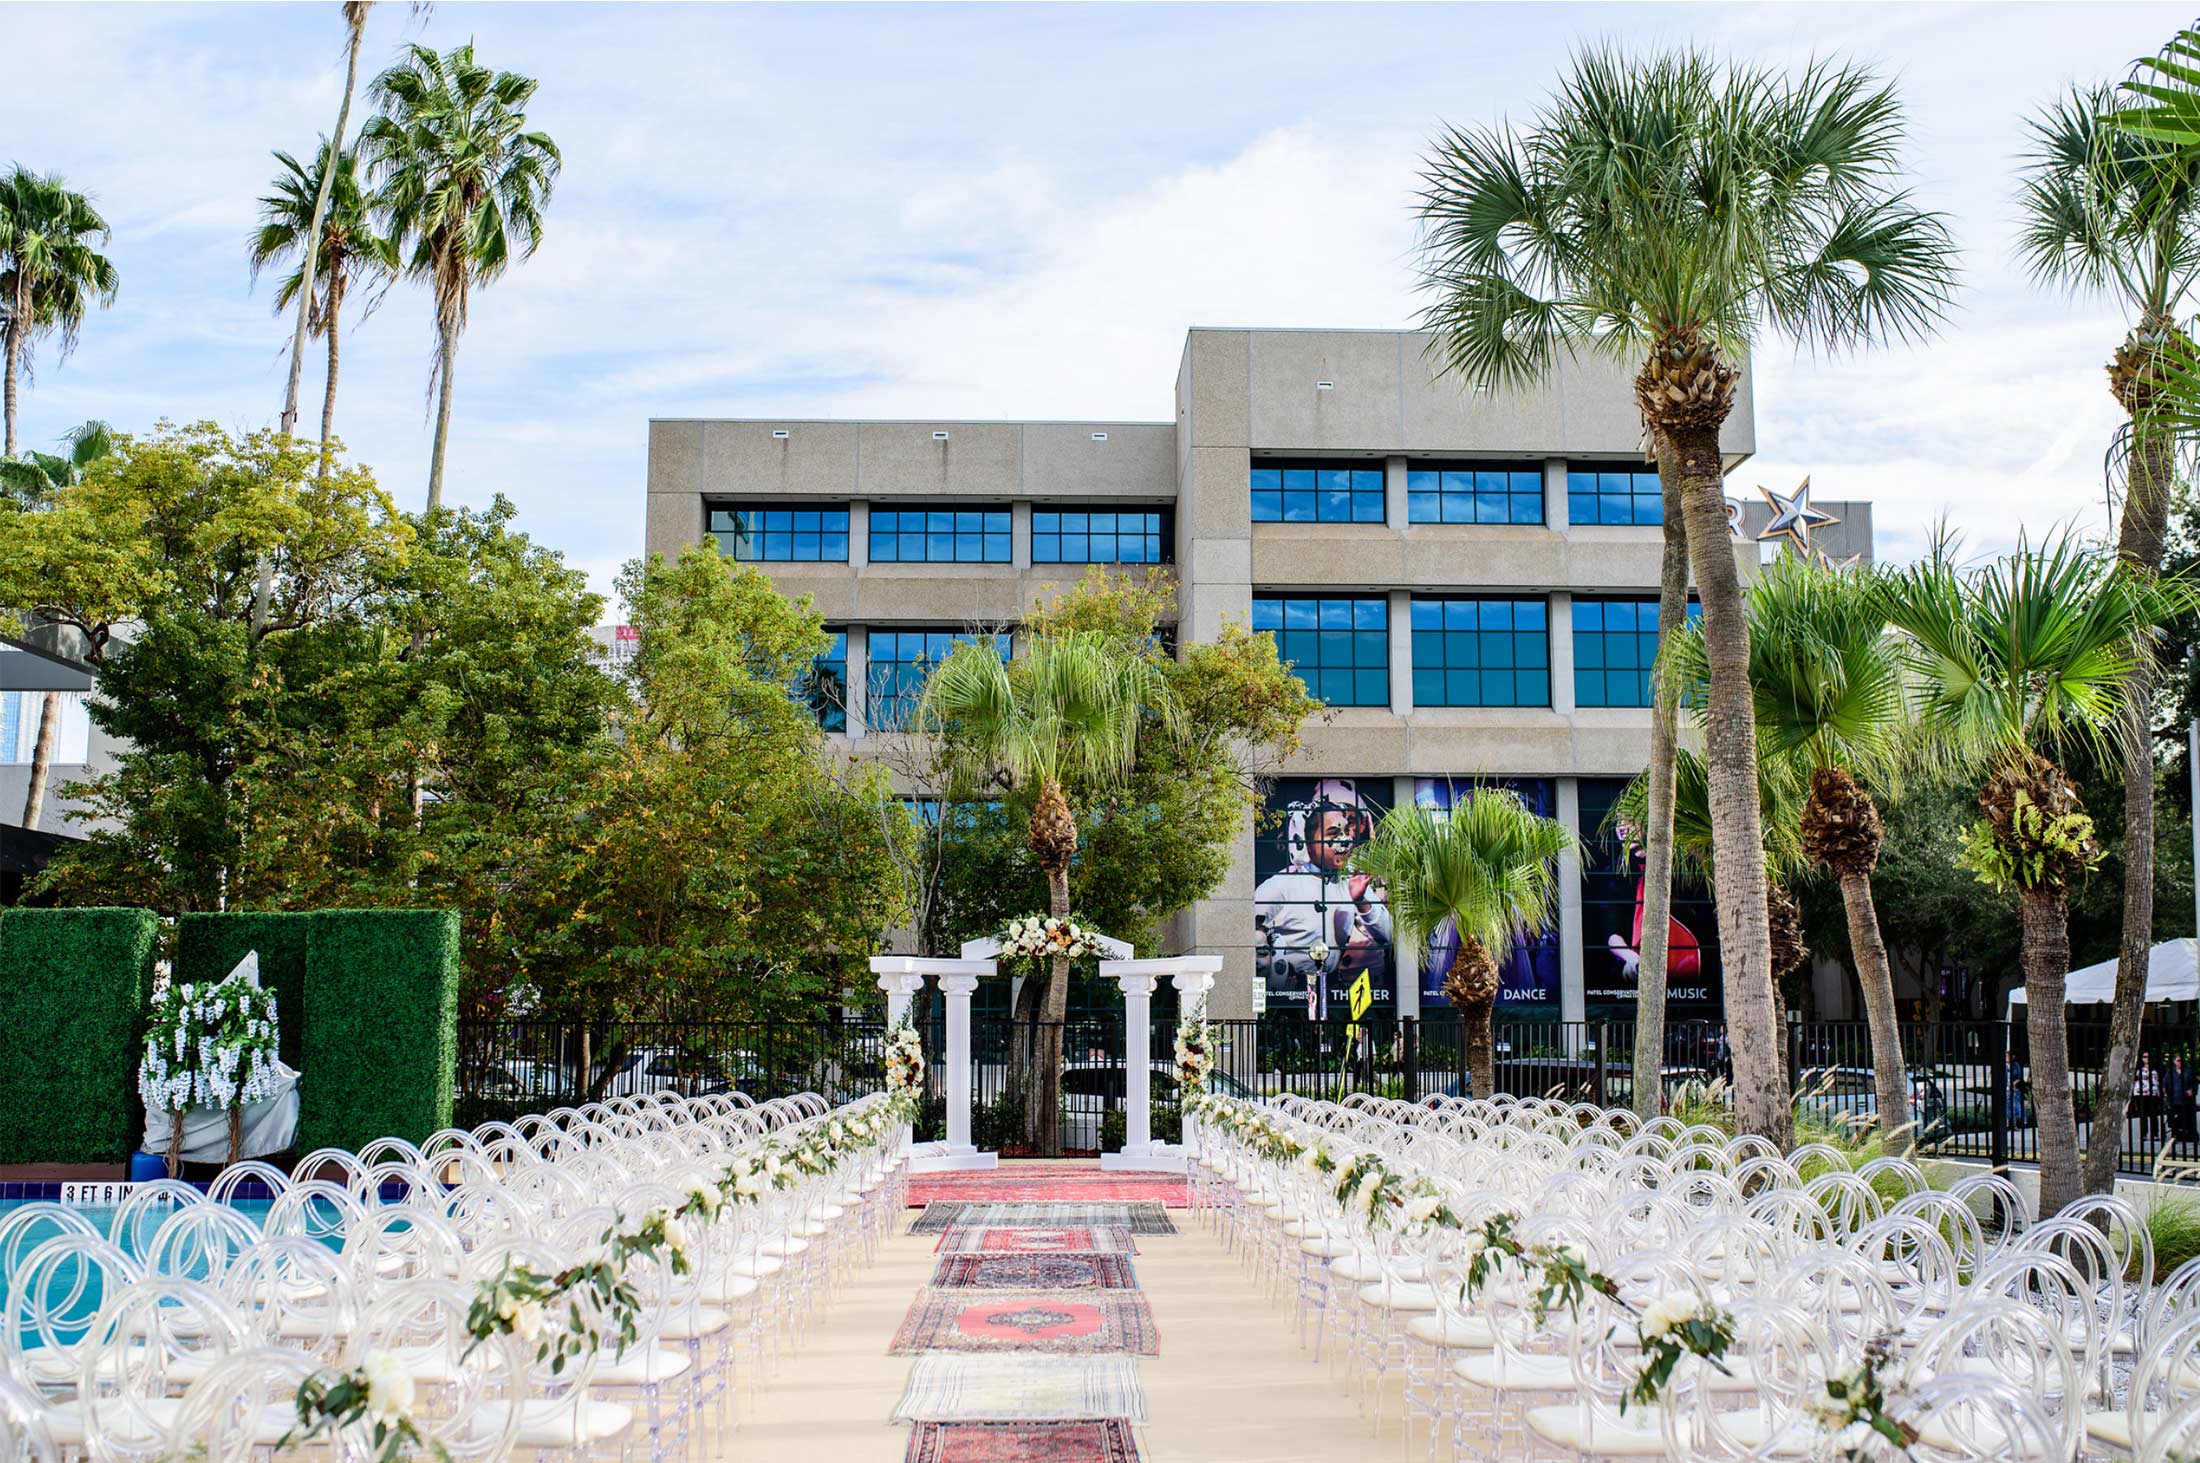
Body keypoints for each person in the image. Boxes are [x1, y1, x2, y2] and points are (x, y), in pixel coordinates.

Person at [2135, 1053, 2164, 1149]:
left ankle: (2154, 1134)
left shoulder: (2156, 1069)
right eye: (2144, 1057)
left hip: (2154, 1094)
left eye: (2148, 1056)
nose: (2146, 1059)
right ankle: (2144, 1134)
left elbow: (2160, 1081)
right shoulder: (2138, 1069)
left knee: (2153, 1115)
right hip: (2141, 1094)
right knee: (2143, 1115)